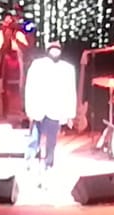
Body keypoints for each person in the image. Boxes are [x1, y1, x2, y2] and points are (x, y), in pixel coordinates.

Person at [24, 40, 76, 177]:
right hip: (38, 108)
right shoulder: (37, 65)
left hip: (56, 109)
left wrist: (70, 114)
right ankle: (29, 160)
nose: (55, 51)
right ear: (48, 50)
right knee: (34, 137)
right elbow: (29, 88)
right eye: (52, 49)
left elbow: (71, 92)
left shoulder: (67, 68)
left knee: (51, 140)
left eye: (57, 49)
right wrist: (29, 108)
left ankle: (48, 163)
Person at [0, 10, 30, 126]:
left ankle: (15, 119)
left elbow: (26, 49)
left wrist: (15, 38)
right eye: (6, 22)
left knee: (15, 94)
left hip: (15, 72)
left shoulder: (19, 36)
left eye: (11, 22)